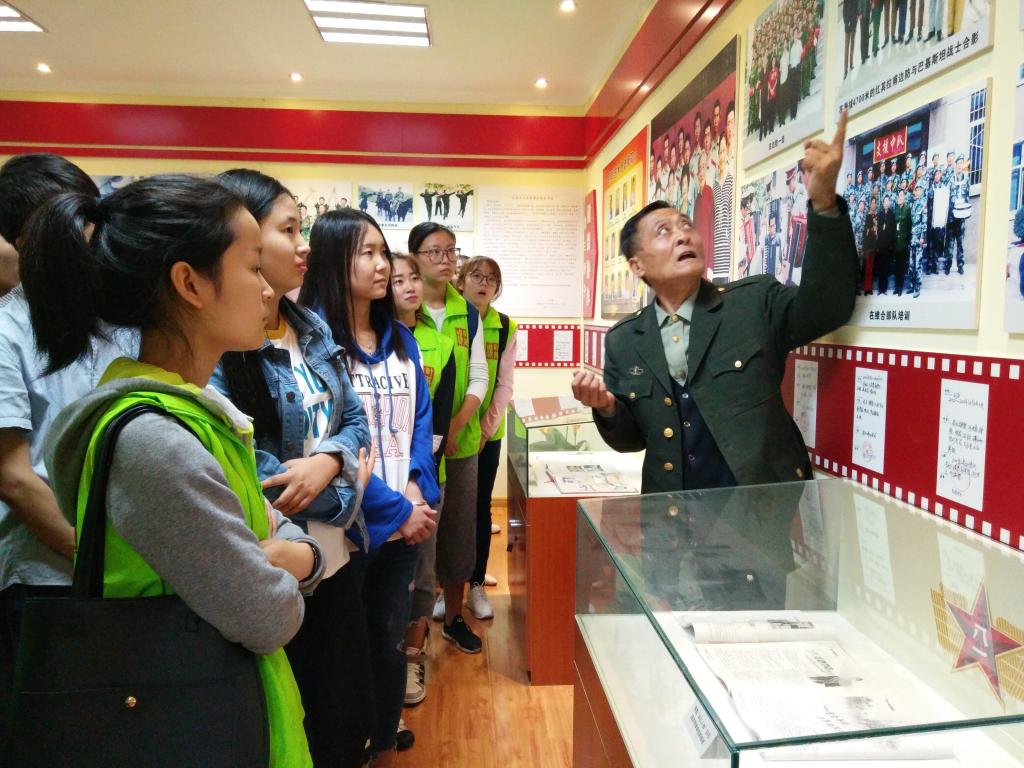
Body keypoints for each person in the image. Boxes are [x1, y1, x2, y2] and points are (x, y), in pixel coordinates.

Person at [19, 174, 325, 766]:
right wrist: (289, 558)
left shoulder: (195, 415)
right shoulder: (154, 442)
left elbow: (278, 537)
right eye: (252, 267)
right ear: (190, 283)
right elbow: (269, 614)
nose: (268, 289)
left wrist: (294, 554)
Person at [572, 112, 856, 494]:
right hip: (670, 513)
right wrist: (606, 407)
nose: (683, 236)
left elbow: (827, 308)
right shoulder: (624, 340)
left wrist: (823, 204)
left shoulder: (753, 303)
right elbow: (631, 440)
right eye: (664, 231)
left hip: (761, 509)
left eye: (686, 225)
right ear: (637, 265)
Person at [209, 169, 373, 768]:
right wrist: (347, 485)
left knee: (340, 719)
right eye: (288, 230)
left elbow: (356, 421)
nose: (303, 246)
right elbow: (254, 470)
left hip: (337, 554)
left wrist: (328, 462)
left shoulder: (312, 326)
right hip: (280, 562)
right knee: (287, 726)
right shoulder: (224, 344)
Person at [0, 154, 140, 737]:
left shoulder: (118, 321)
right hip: (49, 580)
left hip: (129, 575)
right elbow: (13, 476)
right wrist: (94, 560)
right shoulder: (8, 329)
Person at [300, 209, 439, 767]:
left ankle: (383, 744)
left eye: (383, 251)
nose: (382, 265)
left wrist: (417, 489)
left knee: (388, 644)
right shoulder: (314, 343)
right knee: (342, 654)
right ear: (335, 260)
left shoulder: (402, 338)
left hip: (403, 522)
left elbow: (421, 420)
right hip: (345, 526)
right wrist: (396, 507)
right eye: (367, 253)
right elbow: (327, 443)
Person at [407, 223, 489, 655]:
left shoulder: (468, 313)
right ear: (415, 257)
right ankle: (413, 634)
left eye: (451, 251)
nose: (445, 259)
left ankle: (454, 618)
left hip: (460, 445)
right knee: (419, 539)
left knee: (458, 534)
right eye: (434, 252)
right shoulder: (403, 309)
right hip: (414, 450)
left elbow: (479, 377)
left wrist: (455, 426)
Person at [389, 251, 455, 707]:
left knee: (423, 571)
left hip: (426, 475)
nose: (409, 286)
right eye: (398, 280)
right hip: (381, 483)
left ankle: (413, 654)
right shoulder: (370, 340)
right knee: (389, 577)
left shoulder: (436, 339)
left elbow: (435, 416)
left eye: (414, 277)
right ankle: (386, 658)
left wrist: (420, 477)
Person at [455, 256, 516, 622]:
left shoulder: (505, 326)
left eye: (491, 279)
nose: (483, 283)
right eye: (476, 276)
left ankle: (475, 582)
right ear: (461, 280)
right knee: (446, 509)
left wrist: (485, 430)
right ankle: (448, 584)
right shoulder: (449, 318)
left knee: (479, 507)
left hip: (486, 434)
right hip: (449, 432)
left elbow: (504, 385)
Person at [892, 188, 912, 296]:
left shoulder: (907, 209)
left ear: (904, 198)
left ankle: (900, 287)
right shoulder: (895, 209)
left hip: (903, 242)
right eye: (898, 196)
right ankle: (896, 287)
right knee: (896, 266)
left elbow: (909, 226)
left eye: (901, 196)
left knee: (901, 266)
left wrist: (907, 241)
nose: (900, 198)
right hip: (896, 242)